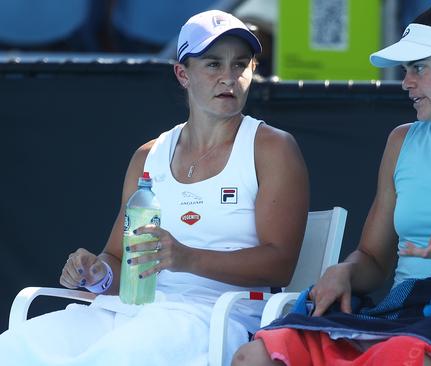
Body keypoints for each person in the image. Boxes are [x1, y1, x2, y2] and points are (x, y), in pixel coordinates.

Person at [232, 0, 431, 365]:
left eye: (418, 68)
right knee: (256, 356)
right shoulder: (401, 140)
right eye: (406, 70)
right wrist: (346, 271)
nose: (406, 82)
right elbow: (373, 258)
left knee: (402, 358)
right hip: (408, 314)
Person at [0, 9, 309, 366]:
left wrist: (187, 258)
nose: (229, 77)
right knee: (14, 347)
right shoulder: (148, 156)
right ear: (183, 74)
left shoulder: (274, 148)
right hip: (132, 311)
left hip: (218, 317)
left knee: (113, 357)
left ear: (253, 71)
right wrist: (95, 272)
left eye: (240, 65)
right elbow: (118, 261)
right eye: (213, 65)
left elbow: (279, 265)